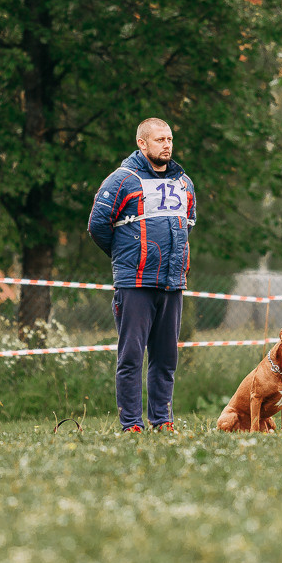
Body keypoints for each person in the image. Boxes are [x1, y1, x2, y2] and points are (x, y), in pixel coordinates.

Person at [88, 118, 196, 432]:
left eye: (170, 139)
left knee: (166, 359)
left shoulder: (184, 183)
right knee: (131, 358)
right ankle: (132, 423)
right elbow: (98, 226)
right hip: (134, 283)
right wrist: (127, 257)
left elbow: (187, 224)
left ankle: (162, 420)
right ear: (142, 143)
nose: (166, 144)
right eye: (159, 139)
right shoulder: (122, 180)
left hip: (172, 283)